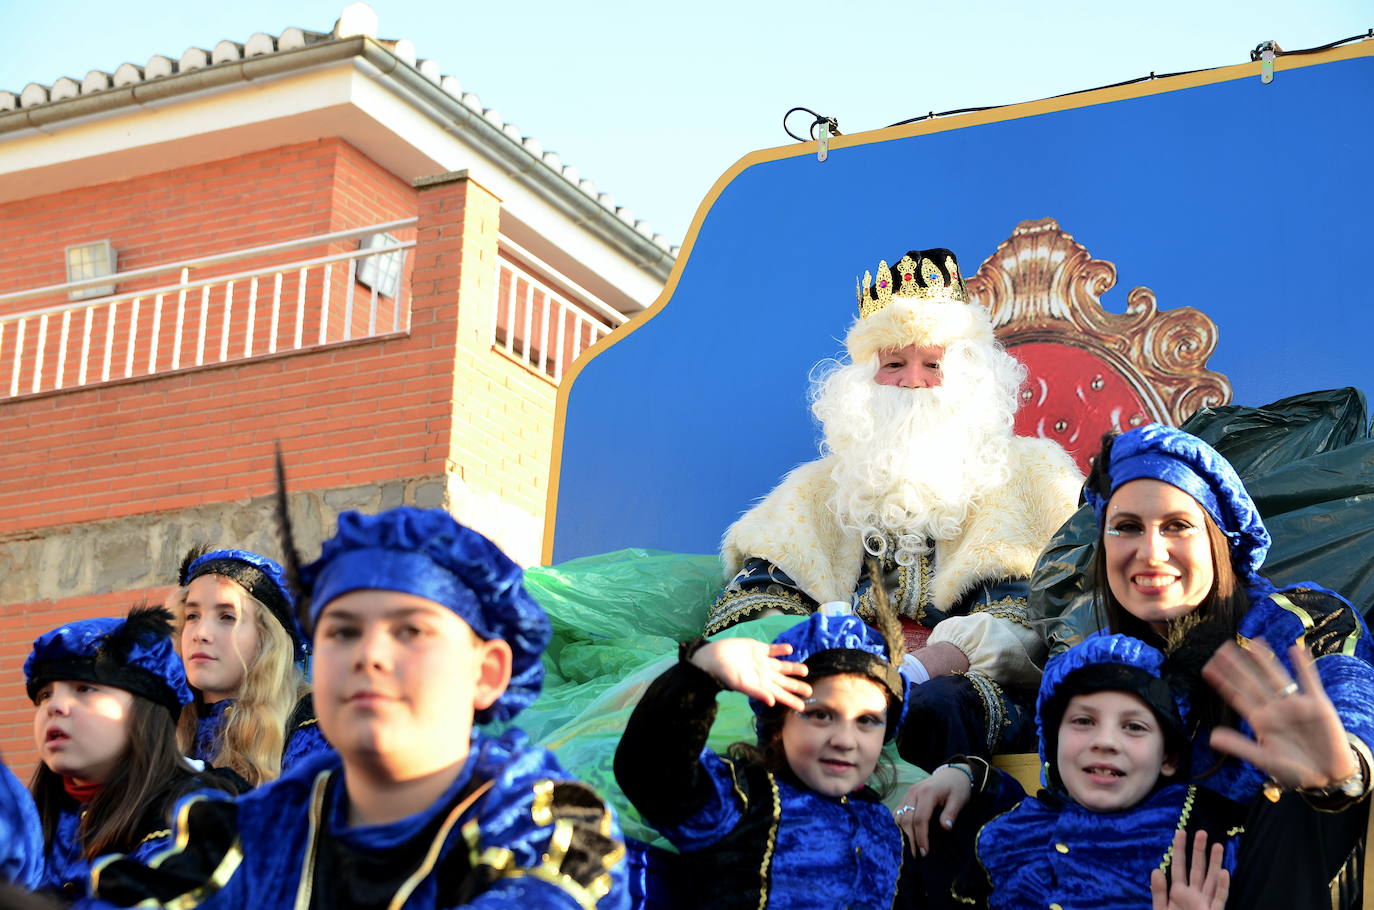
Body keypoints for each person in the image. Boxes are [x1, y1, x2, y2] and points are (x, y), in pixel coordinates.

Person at [89, 507, 629, 909]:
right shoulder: (253, 829)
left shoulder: (548, 825)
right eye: (343, 632)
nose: (368, 656)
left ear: (485, 674)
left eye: (409, 631)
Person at [710, 246, 1082, 765]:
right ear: (863, 380)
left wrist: (926, 665)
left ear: (972, 376)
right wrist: (824, 655)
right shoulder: (814, 491)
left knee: (938, 705)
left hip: (972, 687)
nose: (912, 381)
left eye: (933, 363)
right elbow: (750, 603)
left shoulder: (1030, 476)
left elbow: (1039, 610)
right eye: (893, 364)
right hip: (835, 686)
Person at [1080, 423, 1374, 908]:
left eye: (1177, 525)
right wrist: (971, 776)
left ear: (1220, 540)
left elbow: (1348, 683)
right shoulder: (1096, 665)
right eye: (1128, 526)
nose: (1151, 553)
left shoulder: (1296, 621)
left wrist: (1342, 762)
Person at [899, 632, 1241, 909]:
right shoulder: (1008, 834)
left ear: (1168, 757)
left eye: (1134, 727)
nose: (1105, 741)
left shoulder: (1206, 832)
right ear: (1054, 741)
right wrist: (966, 772)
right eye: (1083, 721)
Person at [614, 602, 913, 909]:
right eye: (821, 715)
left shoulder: (890, 834)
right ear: (778, 726)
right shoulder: (739, 796)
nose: (845, 740)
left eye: (867, 720)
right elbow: (650, 769)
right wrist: (702, 671)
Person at [24, 605, 242, 900]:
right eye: (45, 694)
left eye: (84, 688)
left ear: (146, 711)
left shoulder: (199, 813)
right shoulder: (27, 823)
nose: (54, 706)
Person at [171, 546, 329, 784]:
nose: (200, 633)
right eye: (192, 616)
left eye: (227, 617)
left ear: (267, 639)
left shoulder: (314, 733)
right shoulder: (160, 727)